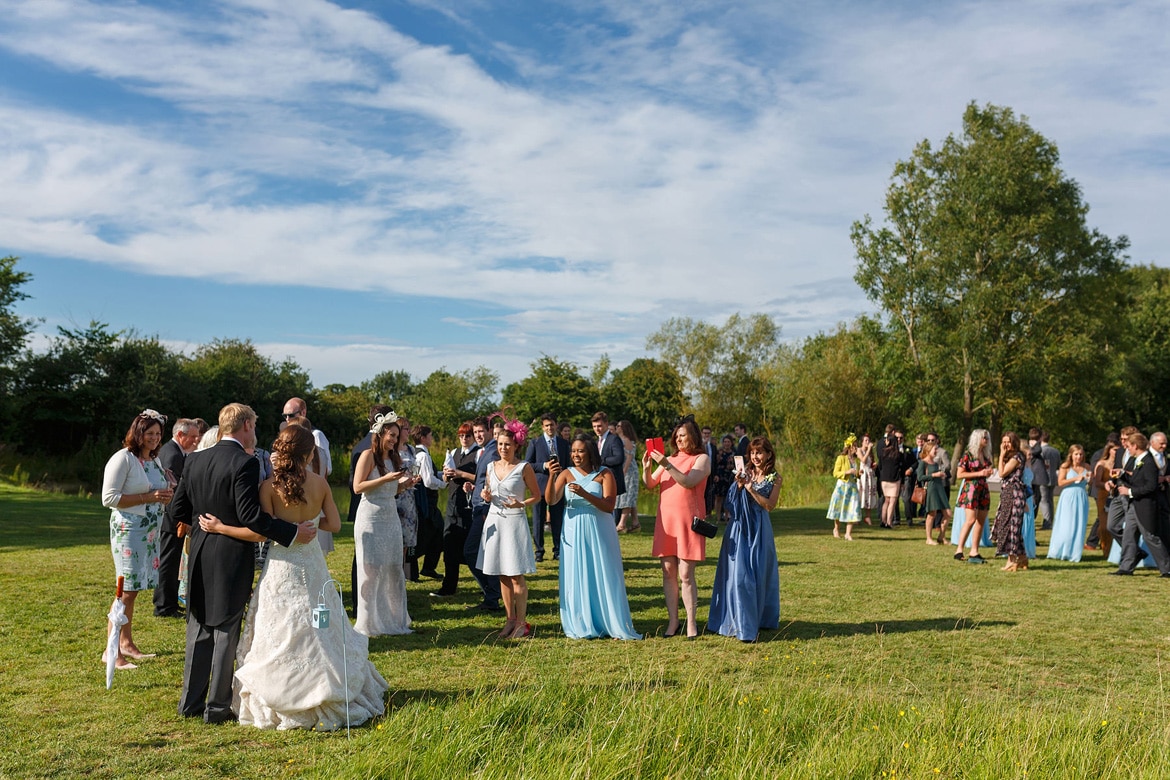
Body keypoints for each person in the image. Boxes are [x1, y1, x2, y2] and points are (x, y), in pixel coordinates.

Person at [197, 426, 388, 730]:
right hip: (312, 564)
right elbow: (335, 524)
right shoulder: (320, 484)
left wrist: (221, 528)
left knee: (280, 625)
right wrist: (310, 523)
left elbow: (260, 532)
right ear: (310, 453)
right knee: (319, 623)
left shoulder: (268, 487)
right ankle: (328, 683)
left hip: (281, 566)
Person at [171, 403, 316, 723]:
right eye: (254, 425)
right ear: (247, 425)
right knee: (225, 630)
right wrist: (292, 532)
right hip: (231, 555)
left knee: (198, 628)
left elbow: (175, 512)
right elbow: (252, 517)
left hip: (199, 551)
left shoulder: (193, 460)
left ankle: (189, 704)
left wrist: (202, 522)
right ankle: (217, 708)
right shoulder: (245, 463)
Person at [545, 434, 640, 640]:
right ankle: (582, 622)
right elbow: (552, 500)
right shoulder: (566, 473)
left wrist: (584, 494)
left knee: (603, 571)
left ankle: (608, 621)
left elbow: (608, 506)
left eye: (580, 451)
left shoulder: (605, 473)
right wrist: (552, 476)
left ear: (590, 452)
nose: (576, 455)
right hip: (573, 529)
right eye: (573, 451)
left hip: (599, 529)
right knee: (577, 573)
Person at [101, 409, 174, 669]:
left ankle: (127, 644)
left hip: (149, 534)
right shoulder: (123, 459)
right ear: (138, 433)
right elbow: (108, 499)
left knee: (134, 591)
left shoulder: (153, 461)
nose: (154, 438)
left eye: (158, 433)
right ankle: (111, 651)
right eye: (149, 433)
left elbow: (155, 490)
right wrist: (150, 497)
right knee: (125, 591)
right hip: (128, 533)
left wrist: (167, 488)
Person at [707, 436, 781, 642]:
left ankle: (759, 619)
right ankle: (737, 622)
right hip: (739, 527)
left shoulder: (775, 477)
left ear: (768, 454)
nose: (756, 457)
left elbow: (769, 505)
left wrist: (750, 488)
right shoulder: (744, 473)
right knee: (738, 577)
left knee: (758, 573)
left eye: (760, 453)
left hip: (759, 529)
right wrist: (739, 485)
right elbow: (729, 505)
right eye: (753, 453)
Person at [644, 417, 711, 639]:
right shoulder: (670, 459)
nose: (679, 439)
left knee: (685, 573)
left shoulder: (701, 459)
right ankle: (673, 621)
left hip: (688, 522)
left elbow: (688, 481)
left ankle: (691, 623)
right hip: (667, 522)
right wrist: (646, 468)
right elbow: (650, 483)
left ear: (693, 436)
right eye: (677, 436)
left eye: (683, 435)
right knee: (668, 572)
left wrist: (666, 464)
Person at [351, 410, 416, 637]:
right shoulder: (368, 455)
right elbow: (357, 487)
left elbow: (390, 490)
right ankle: (369, 622)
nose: (394, 440)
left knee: (392, 568)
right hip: (370, 517)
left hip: (390, 517)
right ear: (380, 434)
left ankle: (393, 618)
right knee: (371, 570)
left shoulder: (395, 458)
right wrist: (385, 479)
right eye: (391, 435)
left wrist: (404, 485)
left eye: (397, 436)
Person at [478, 420, 541, 639]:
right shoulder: (490, 466)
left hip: (514, 523)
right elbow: (488, 490)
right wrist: (485, 495)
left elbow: (537, 495)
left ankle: (522, 623)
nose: (503, 448)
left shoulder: (524, 467)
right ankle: (510, 619)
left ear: (516, 446)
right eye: (500, 444)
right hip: (495, 522)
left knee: (515, 575)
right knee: (501, 574)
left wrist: (521, 503)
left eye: (508, 444)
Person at [154, 417, 200, 618]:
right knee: (168, 563)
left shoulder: (173, 452)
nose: (196, 441)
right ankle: (164, 606)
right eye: (192, 437)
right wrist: (181, 517)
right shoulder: (172, 455)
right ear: (180, 435)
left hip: (171, 517)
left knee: (171, 563)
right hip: (171, 519)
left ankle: (168, 602)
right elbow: (172, 492)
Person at [1110, 432, 1170, 576]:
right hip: (1134, 506)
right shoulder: (1137, 460)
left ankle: (1167, 568)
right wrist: (1123, 475)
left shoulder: (1148, 462)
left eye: (1129, 446)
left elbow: (1150, 486)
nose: (1127, 449)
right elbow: (1139, 479)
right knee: (1129, 536)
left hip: (1144, 506)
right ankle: (1126, 567)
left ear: (1135, 446)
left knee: (1150, 537)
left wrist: (1129, 491)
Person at [433, 423, 479, 597]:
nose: (464, 439)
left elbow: (481, 478)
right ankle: (448, 587)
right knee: (449, 546)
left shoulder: (478, 454)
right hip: (453, 505)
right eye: (461, 436)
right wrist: (446, 474)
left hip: (470, 506)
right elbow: (445, 479)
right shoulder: (453, 453)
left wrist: (460, 474)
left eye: (467, 436)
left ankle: (487, 586)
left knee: (472, 549)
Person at [465, 417, 505, 612]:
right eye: (475, 433)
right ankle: (492, 594)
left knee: (472, 551)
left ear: (490, 430)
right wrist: (473, 487)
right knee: (481, 554)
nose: (478, 435)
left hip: (485, 509)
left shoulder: (494, 451)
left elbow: (497, 480)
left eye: (481, 431)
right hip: (479, 507)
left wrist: (487, 507)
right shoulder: (485, 452)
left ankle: (493, 593)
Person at [525, 413, 571, 561]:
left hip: (558, 487)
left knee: (558, 520)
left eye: (552, 425)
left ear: (556, 425)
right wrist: (544, 466)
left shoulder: (563, 444)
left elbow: (569, 465)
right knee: (538, 521)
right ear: (542, 427)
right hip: (540, 486)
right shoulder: (535, 443)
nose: (549, 428)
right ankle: (539, 551)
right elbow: (527, 465)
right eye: (546, 425)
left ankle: (558, 550)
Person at [953, 429, 995, 563]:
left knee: (981, 520)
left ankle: (974, 550)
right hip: (971, 489)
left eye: (987, 438)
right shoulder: (968, 455)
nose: (986, 440)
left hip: (983, 488)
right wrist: (980, 473)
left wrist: (988, 473)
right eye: (984, 438)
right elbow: (960, 475)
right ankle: (959, 549)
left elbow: (985, 471)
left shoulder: (986, 455)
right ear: (977, 439)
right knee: (970, 519)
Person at [412, 425, 447, 581]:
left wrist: (441, 474)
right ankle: (416, 565)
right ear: (423, 437)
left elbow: (428, 474)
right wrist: (443, 483)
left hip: (424, 502)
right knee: (432, 533)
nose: (432, 439)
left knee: (435, 533)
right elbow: (428, 481)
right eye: (430, 436)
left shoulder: (416, 453)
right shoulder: (424, 456)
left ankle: (427, 567)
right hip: (427, 502)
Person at [991, 432, 1029, 572]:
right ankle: (1023, 558)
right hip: (1008, 493)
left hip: (1014, 493)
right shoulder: (1010, 457)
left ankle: (1011, 560)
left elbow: (1001, 473)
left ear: (1014, 442)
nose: (1005, 445)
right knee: (1011, 526)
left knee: (1011, 526)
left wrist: (1001, 455)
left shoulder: (1017, 457)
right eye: (1003, 442)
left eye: (1008, 441)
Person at [1047, 445, 1091, 562]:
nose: (1079, 457)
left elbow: (1091, 481)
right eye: (1076, 454)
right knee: (1066, 525)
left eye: (1081, 454)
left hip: (1081, 496)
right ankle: (1060, 551)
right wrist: (1076, 478)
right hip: (1068, 497)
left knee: (1079, 524)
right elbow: (1060, 482)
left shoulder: (1087, 466)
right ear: (1071, 455)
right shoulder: (1065, 467)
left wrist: (1090, 479)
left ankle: (1074, 552)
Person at [281, 397, 331, 476]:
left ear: (303, 413)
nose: (287, 419)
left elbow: (327, 468)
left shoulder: (316, 435)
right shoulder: (287, 437)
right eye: (284, 416)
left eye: (291, 415)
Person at [592, 411, 627, 517]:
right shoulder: (596, 440)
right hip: (599, 480)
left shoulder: (614, 439)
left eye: (599, 426)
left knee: (609, 513)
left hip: (611, 479)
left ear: (606, 424)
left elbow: (619, 458)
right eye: (594, 426)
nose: (597, 429)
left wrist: (600, 460)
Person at [916, 440, 951, 545]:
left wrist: (941, 475)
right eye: (935, 449)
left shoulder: (935, 463)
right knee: (932, 514)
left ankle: (941, 536)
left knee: (948, 514)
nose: (936, 451)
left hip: (940, 488)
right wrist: (934, 475)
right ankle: (929, 538)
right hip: (931, 489)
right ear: (928, 450)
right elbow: (920, 477)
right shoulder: (923, 462)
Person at [826, 436, 860, 540]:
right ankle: (836, 529)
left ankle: (848, 533)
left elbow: (856, 474)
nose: (856, 448)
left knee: (853, 508)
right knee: (839, 508)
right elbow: (835, 473)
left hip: (852, 487)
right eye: (854, 446)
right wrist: (847, 472)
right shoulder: (841, 458)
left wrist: (859, 474)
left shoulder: (855, 460)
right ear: (849, 447)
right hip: (842, 487)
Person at [1090, 441, 1119, 556]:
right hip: (1104, 495)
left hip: (1117, 494)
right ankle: (1106, 549)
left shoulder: (1120, 464)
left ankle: (1115, 551)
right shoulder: (1102, 464)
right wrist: (1107, 484)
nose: (1116, 452)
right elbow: (1097, 482)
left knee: (1115, 523)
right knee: (1104, 524)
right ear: (1109, 450)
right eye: (1114, 450)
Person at [614, 420, 641, 533]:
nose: (616, 427)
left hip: (629, 472)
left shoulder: (626, 440)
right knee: (630, 498)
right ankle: (635, 523)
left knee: (627, 498)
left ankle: (622, 524)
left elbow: (629, 458)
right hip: (626, 471)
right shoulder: (620, 440)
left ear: (623, 428)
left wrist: (623, 472)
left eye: (618, 426)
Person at [877, 426, 902, 529]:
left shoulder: (883, 453)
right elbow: (901, 466)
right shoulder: (898, 455)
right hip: (894, 478)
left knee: (886, 500)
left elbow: (880, 465)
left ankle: (883, 520)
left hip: (884, 478)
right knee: (892, 501)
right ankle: (889, 521)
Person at [711, 435, 736, 522]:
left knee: (728, 497)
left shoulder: (734, 453)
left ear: (731, 443)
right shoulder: (719, 452)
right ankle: (718, 517)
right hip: (719, 477)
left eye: (728, 442)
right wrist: (715, 475)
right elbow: (715, 464)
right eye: (725, 442)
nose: (726, 443)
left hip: (729, 477)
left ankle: (726, 517)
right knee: (718, 497)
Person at [857, 433, 879, 526]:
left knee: (869, 495)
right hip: (863, 475)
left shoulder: (870, 452)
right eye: (865, 440)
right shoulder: (859, 450)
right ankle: (857, 516)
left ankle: (868, 516)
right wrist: (869, 449)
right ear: (862, 442)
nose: (867, 442)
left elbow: (869, 463)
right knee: (860, 494)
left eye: (868, 440)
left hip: (870, 475)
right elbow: (863, 460)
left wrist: (874, 465)